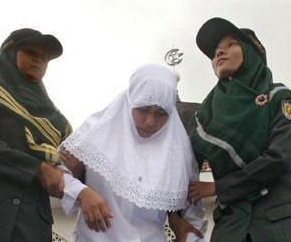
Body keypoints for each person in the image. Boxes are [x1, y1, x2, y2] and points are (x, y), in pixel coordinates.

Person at [58, 63, 206, 241]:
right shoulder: (95, 134)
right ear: (130, 101)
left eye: (161, 113)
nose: (151, 121)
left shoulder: (179, 155)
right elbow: (56, 172)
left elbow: (193, 215)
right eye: (143, 109)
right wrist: (81, 192)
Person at [0, 28, 71, 241]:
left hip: (31, 225)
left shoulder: (56, 119)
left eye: (44, 58)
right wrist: (38, 169)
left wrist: (69, 178)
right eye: (31, 52)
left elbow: (70, 161)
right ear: (10, 53)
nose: (38, 60)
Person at [188, 17, 291, 242]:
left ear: (251, 52)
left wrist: (219, 187)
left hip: (277, 226)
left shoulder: (279, 97)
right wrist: (175, 217)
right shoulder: (205, 117)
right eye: (215, 51)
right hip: (230, 227)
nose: (219, 53)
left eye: (231, 44)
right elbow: (183, 165)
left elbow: (280, 156)